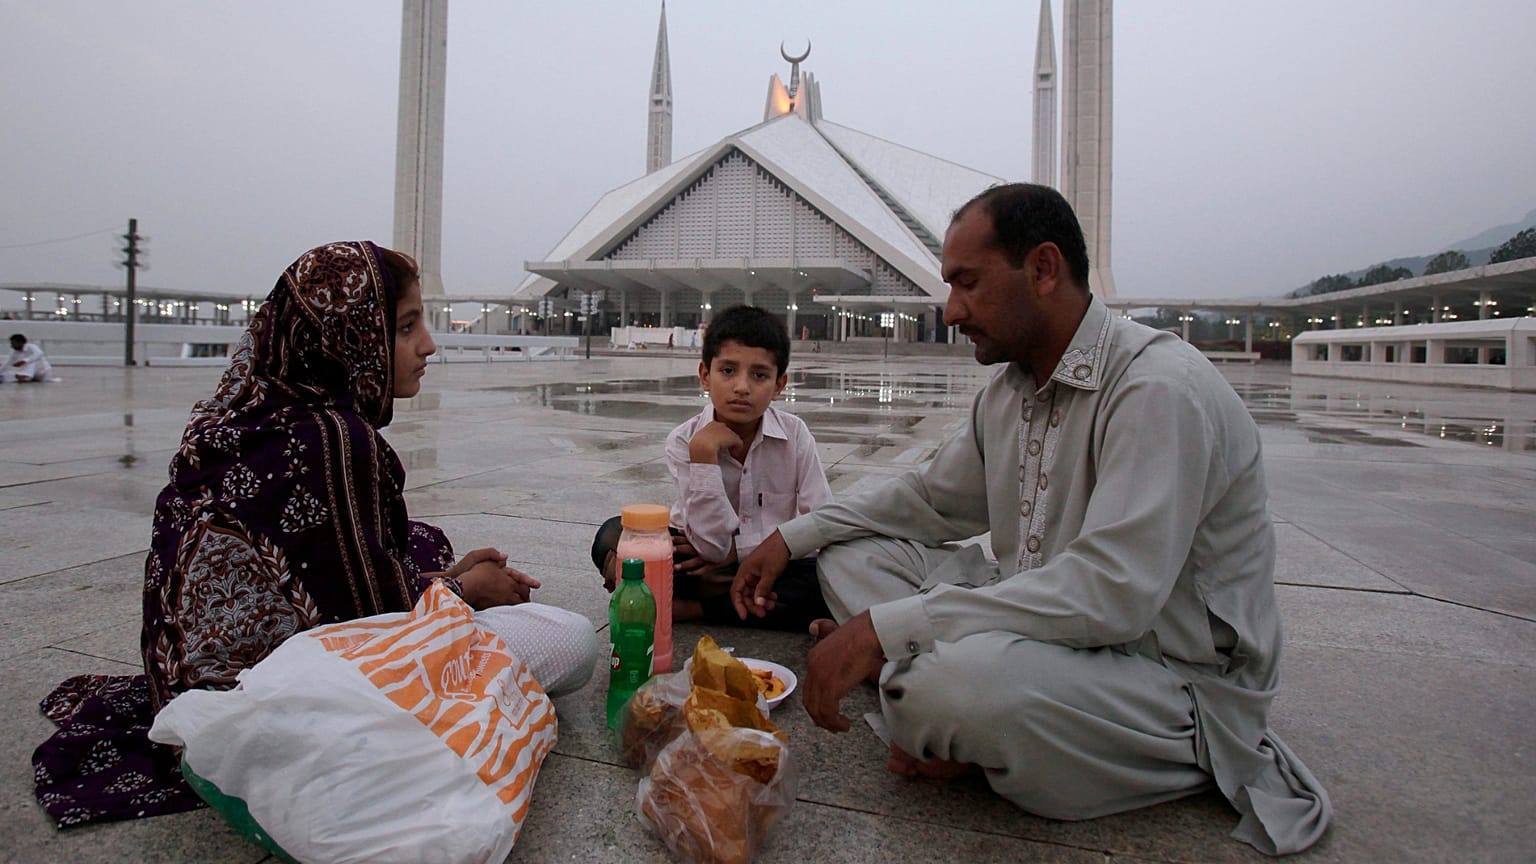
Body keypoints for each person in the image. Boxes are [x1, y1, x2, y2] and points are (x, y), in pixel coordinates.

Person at [731, 184, 1331, 856]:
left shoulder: (1154, 390)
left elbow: (1112, 594)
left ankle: (958, 710)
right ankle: (952, 711)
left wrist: (889, 627)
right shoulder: (1012, 391)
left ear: (1044, 269)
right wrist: (797, 534)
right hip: (1050, 626)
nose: (952, 310)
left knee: (951, 689)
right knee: (852, 556)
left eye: (969, 283)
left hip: (1167, 674)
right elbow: (930, 499)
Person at [34, 241, 598, 827]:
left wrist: (442, 577)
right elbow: (370, 627)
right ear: (347, 340)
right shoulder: (330, 440)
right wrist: (464, 592)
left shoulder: (245, 414)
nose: (428, 344)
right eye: (405, 328)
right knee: (571, 641)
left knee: (421, 541)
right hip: (278, 717)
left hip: (186, 694)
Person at [591, 304, 833, 631]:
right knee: (613, 537)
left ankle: (698, 608)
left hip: (775, 564)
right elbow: (710, 545)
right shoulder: (685, 440)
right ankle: (737, 600)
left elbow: (820, 523)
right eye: (728, 371)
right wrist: (704, 455)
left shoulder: (795, 436)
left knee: (832, 577)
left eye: (759, 375)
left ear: (779, 385)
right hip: (697, 559)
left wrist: (741, 551)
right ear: (705, 375)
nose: (742, 387)